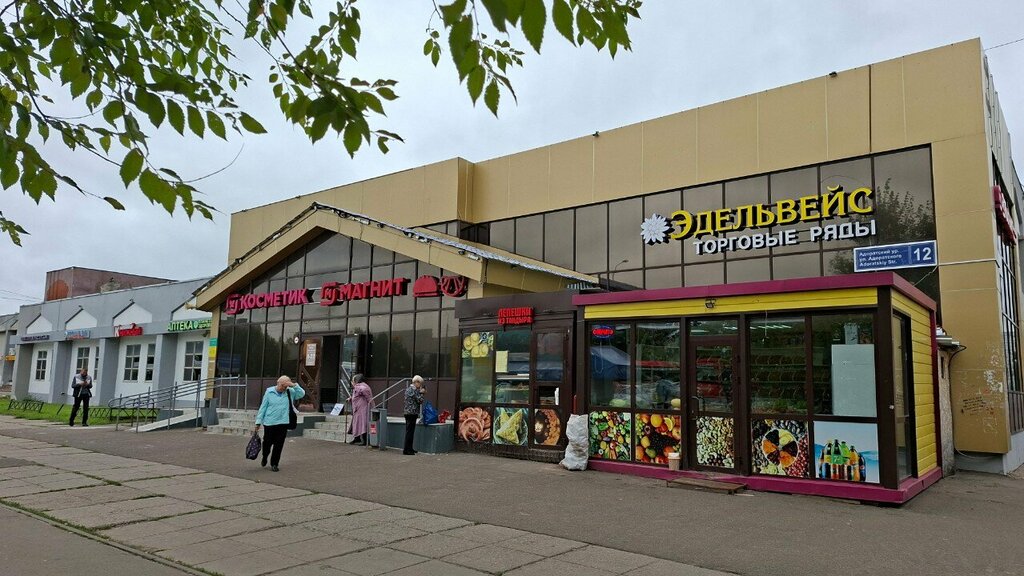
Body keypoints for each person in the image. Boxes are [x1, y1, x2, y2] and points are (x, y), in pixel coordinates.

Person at [254, 375, 305, 471]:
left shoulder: (290, 391)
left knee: (279, 444)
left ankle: (274, 464)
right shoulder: (269, 392)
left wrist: (293, 385)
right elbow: (263, 407)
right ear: (277, 383)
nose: (283, 388)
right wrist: (258, 422)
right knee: (267, 443)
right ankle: (265, 456)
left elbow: (301, 394)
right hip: (269, 422)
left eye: (285, 386)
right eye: (282, 385)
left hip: (283, 422)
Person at [402, 375, 425, 455]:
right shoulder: (414, 390)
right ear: (416, 382)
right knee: (410, 432)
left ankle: (409, 448)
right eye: (420, 383)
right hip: (412, 413)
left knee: (409, 431)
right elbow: (420, 400)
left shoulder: (408, 389)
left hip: (407, 412)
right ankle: (407, 450)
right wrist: (422, 393)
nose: (420, 385)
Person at [347, 374, 372, 445]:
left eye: (353, 380)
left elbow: (366, 395)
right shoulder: (361, 386)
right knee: (357, 423)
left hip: (362, 408)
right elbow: (356, 396)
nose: (352, 382)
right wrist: (351, 398)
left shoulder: (361, 387)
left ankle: (364, 440)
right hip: (358, 408)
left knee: (362, 423)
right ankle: (356, 438)